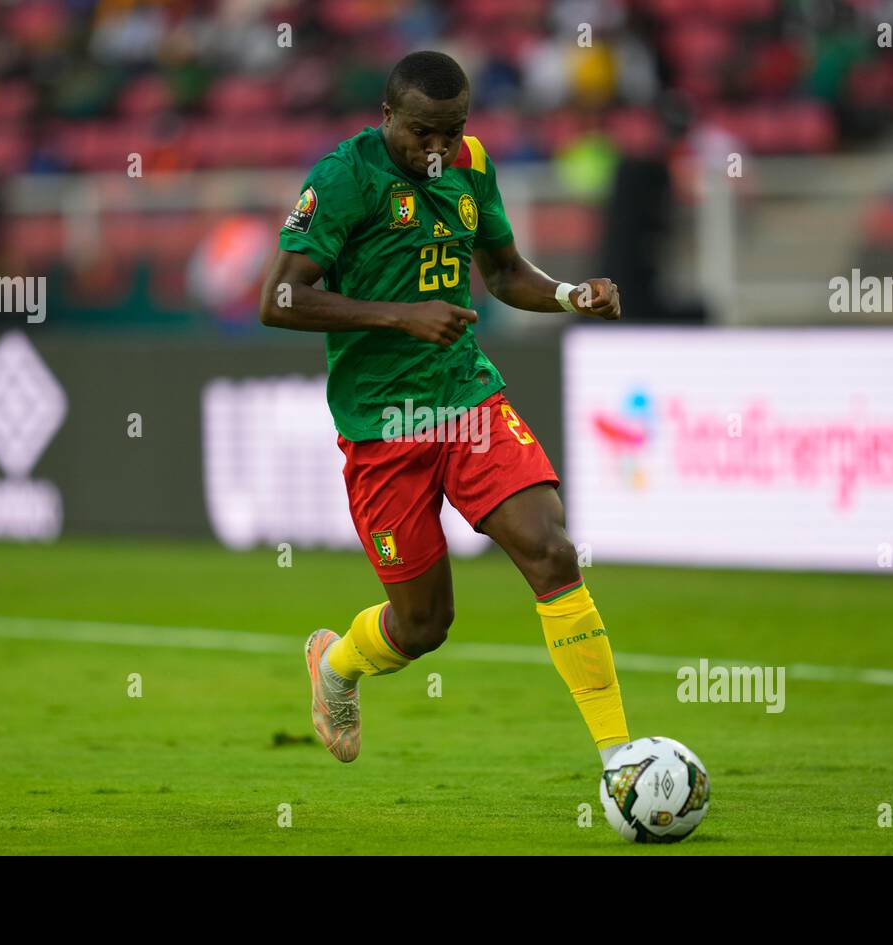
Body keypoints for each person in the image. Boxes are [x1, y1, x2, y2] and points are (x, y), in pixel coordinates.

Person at [260, 51, 629, 766]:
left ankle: (621, 759)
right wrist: (402, 317)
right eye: (421, 133)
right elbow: (277, 299)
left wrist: (567, 295)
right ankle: (338, 665)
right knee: (424, 624)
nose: (435, 150)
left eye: (450, 132)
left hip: (467, 399)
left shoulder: (473, 164)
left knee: (551, 548)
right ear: (388, 117)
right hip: (382, 424)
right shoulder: (344, 178)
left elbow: (503, 272)